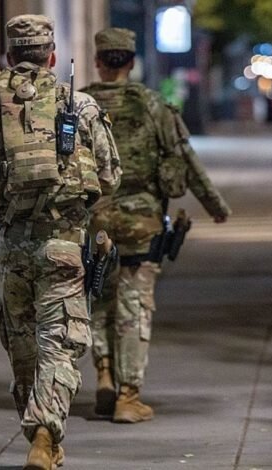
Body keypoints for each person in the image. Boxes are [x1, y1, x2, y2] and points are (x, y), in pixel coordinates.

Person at [0, 15, 121, 470]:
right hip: (64, 247)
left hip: (11, 249)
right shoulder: (80, 105)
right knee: (59, 343)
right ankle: (46, 436)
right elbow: (109, 176)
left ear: (11, 57)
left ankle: (39, 433)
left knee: (24, 347)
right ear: (51, 57)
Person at [82, 27, 231, 424]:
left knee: (98, 297)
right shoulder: (153, 105)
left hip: (93, 220)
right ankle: (128, 396)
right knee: (134, 305)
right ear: (130, 62)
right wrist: (215, 205)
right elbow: (185, 157)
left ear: (99, 61)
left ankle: (104, 373)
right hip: (141, 221)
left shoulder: (78, 105)